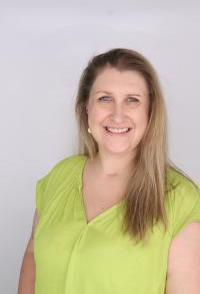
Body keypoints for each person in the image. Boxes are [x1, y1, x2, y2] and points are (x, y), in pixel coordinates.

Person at [18, 48, 200, 294]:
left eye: (132, 100)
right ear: (86, 108)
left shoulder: (181, 199)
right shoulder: (59, 176)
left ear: (150, 112)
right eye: (105, 98)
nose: (117, 115)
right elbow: (33, 257)